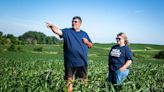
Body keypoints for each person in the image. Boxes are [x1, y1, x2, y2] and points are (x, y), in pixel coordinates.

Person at [46, 16, 93, 92]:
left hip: (82, 62)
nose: (73, 23)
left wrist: (86, 42)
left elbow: (90, 45)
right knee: (69, 82)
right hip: (70, 62)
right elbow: (57, 31)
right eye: (72, 21)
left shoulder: (84, 33)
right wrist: (52, 26)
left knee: (83, 83)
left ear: (80, 23)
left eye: (75, 21)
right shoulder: (67, 31)